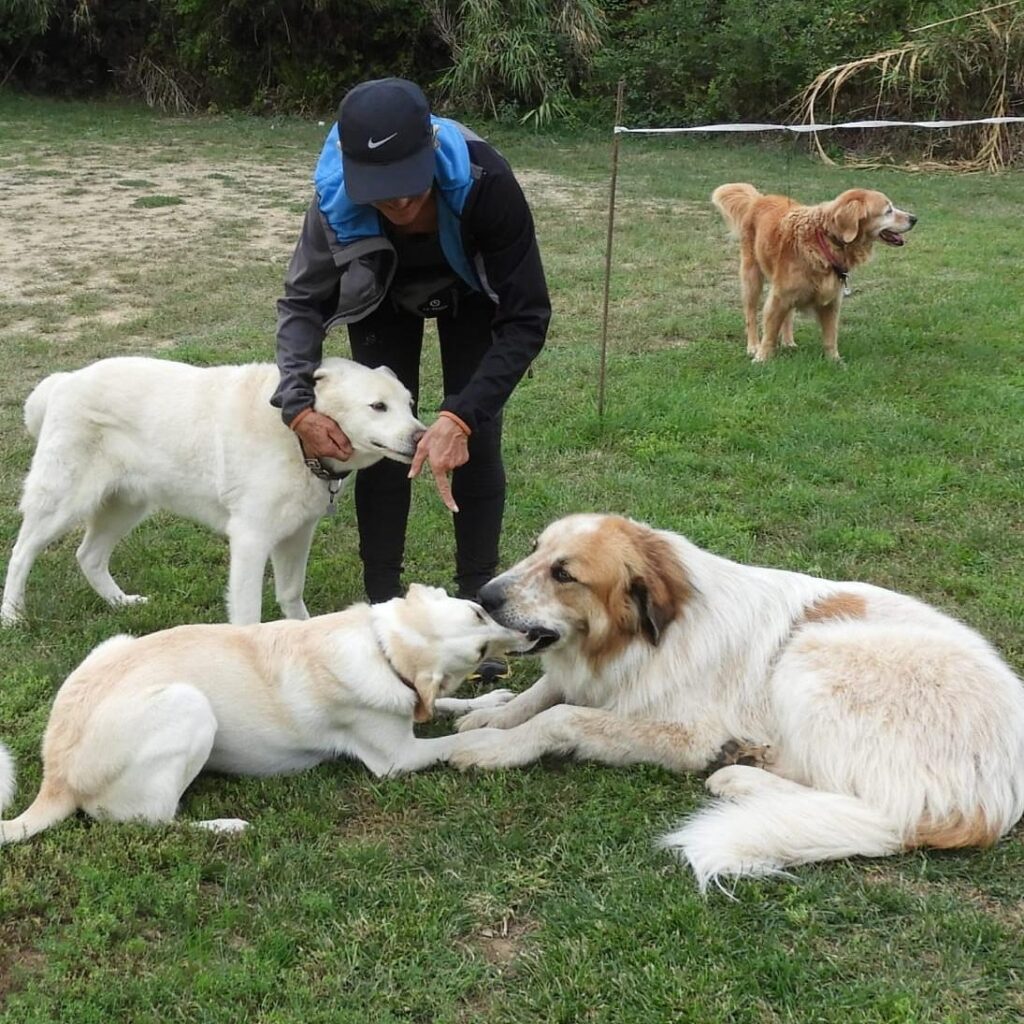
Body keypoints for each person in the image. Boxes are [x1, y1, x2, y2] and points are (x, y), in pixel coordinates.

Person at [272, 77, 551, 678]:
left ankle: (478, 603)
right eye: (381, 192)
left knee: (475, 434)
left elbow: (527, 316)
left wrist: (461, 415)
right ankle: (381, 606)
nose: (398, 204)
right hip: (384, 293)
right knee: (381, 442)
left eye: (408, 187)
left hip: (471, 292)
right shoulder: (335, 203)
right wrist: (297, 406)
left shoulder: (486, 184)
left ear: (429, 151)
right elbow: (302, 304)